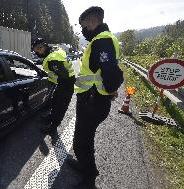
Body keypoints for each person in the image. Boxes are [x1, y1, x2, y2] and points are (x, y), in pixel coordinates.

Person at [67, 6, 124, 189]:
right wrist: (111, 90)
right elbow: (103, 70)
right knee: (85, 139)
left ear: (92, 21)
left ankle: (88, 179)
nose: (83, 31)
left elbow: (110, 71)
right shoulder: (105, 39)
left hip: (92, 101)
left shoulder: (102, 40)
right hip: (94, 99)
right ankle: (86, 167)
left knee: (81, 142)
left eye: (84, 26)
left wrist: (111, 89)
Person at [32, 38, 75, 135]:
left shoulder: (53, 59)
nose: (38, 51)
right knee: (55, 102)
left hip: (66, 84)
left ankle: (53, 127)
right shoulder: (54, 50)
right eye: (36, 49)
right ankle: (51, 117)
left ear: (45, 45)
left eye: (40, 48)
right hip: (63, 83)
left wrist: (53, 80)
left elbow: (63, 75)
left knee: (60, 106)